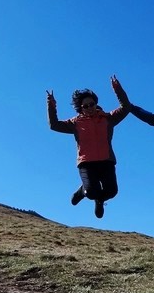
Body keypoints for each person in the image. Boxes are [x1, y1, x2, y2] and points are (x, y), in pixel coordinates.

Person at [47, 75, 130, 218]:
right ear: (80, 108)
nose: (89, 108)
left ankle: (99, 200)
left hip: (106, 161)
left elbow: (126, 107)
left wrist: (117, 88)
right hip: (86, 163)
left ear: (96, 103)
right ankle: (83, 191)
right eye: (85, 106)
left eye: (91, 104)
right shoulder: (75, 123)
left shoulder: (108, 119)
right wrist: (51, 105)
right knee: (92, 192)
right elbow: (54, 125)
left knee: (111, 192)